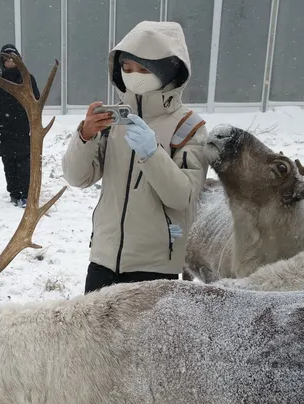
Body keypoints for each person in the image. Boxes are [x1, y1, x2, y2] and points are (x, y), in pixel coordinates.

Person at [61, 20, 208, 293]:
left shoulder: (188, 126)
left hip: (154, 265)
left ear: (166, 71)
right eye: (126, 68)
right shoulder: (113, 121)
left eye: (143, 69)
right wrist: (85, 136)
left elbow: (182, 197)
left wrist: (152, 154)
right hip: (103, 259)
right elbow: (77, 177)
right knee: (95, 324)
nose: (132, 76)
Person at [0, 44, 40, 207]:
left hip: (24, 129)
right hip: (4, 129)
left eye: (13, 59)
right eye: (7, 60)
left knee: (24, 163)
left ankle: (25, 194)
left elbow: (37, 102)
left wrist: (34, 125)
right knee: (8, 162)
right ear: (2, 61)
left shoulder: (28, 79)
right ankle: (14, 194)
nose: (10, 62)